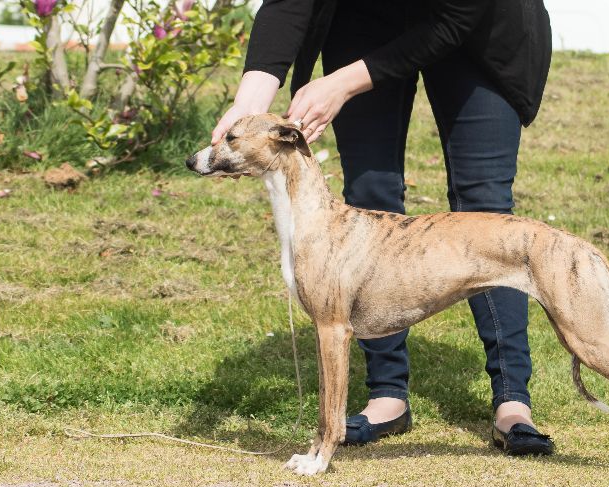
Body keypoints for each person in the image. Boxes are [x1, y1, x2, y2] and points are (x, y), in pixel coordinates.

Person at [211, 0, 554, 455]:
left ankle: (513, 402)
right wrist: (247, 106)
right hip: (364, 21)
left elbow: (455, 17)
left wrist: (340, 84)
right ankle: (387, 396)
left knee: (486, 207)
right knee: (370, 193)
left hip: (476, 31)